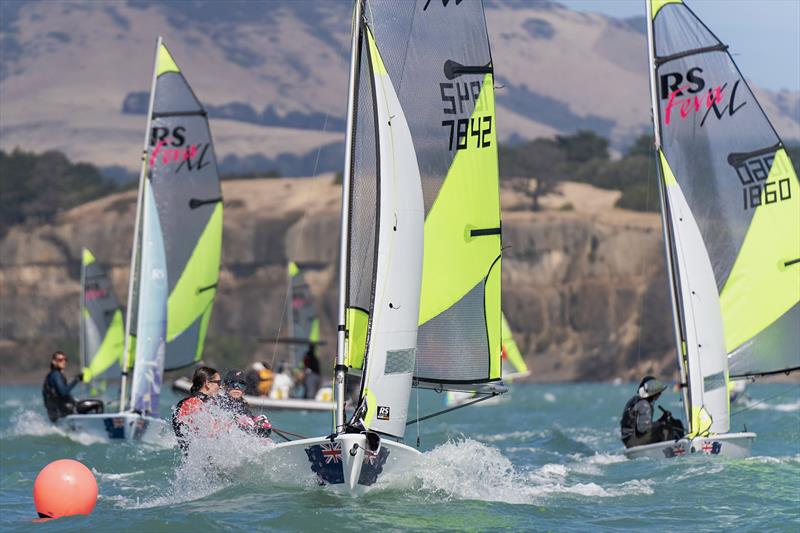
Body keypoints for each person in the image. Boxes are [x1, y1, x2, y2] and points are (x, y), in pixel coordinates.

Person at [620, 375, 685, 448]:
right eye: (658, 392)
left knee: (673, 423)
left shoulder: (636, 400)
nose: (660, 394)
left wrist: (662, 419)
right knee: (665, 428)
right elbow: (643, 429)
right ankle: (673, 450)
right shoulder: (644, 405)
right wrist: (662, 422)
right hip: (633, 441)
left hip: (629, 440)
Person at [172, 366, 221, 455]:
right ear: (208, 384)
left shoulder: (203, 402)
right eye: (218, 382)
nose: (220, 386)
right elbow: (208, 432)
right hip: (194, 458)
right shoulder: (191, 403)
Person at [217, 370, 271, 438]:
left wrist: (259, 423)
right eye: (232, 383)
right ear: (225, 386)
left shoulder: (242, 405)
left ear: (244, 389)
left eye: (241, 384)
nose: (237, 387)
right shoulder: (219, 401)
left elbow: (249, 418)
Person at [42, 351, 82, 422]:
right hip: (64, 410)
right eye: (60, 360)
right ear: (54, 362)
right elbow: (63, 392)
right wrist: (77, 379)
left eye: (65, 359)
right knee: (97, 404)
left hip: (55, 412)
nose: (64, 362)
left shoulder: (51, 375)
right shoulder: (56, 375)